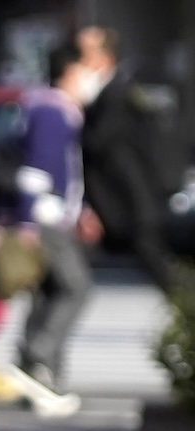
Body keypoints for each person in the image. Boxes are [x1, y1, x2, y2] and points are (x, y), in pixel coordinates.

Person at [5, 44, 100, 417]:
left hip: (52, 214)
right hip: (47, 217)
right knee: (76, 287)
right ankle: (38, 359)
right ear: (70, 71)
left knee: (48, 291)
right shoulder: (51, 110)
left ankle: (39, 377)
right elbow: (38, 169)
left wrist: (83, 208)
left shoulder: (47, 107)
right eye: (86, 69)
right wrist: (29, 220)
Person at [77, 26, 187, 296]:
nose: (79, 61)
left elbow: (98, 141)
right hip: (126, 198)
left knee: (155, 258)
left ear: (105, 57)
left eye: (84, 54)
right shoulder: (115, 90)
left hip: (133, 197)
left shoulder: (117, 92)